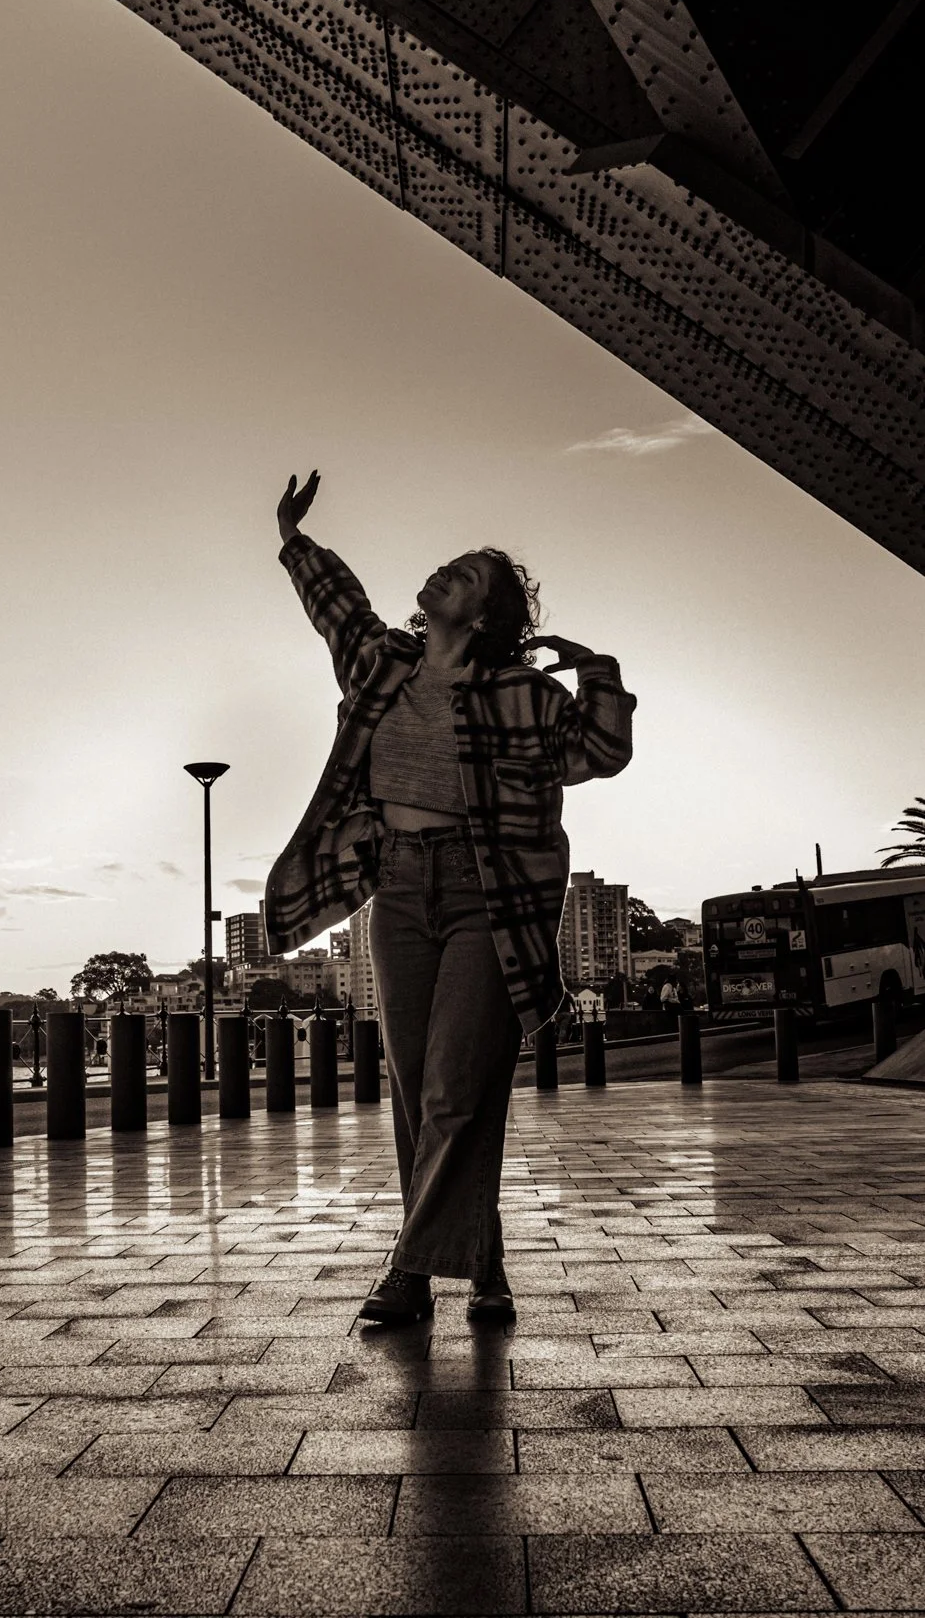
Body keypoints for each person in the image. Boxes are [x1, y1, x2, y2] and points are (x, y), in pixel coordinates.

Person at [265, 471, 636, 1326]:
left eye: (465, 576)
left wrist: (597, 672)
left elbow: (600, 754)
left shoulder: (522, 694)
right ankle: (483, 1266)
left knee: (453, 1090)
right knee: (414, 1088)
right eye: (450, 564)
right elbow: (337, 606)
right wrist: (292, 537)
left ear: (485, 616)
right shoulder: (379, 662)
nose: (445, 574)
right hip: (393, 888)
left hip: (486, 895)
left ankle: (406, 1274)